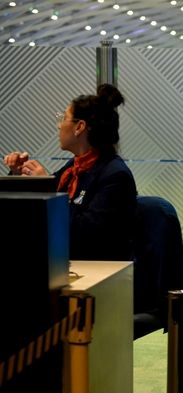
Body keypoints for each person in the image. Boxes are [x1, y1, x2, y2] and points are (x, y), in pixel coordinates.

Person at [3, 83, 137, 261]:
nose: (59, 126)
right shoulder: (73, 168)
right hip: (64, 265)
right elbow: (33, 213)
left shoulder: (114, 175)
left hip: (100, 273)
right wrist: (19, 175)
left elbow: (84, 235)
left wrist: (48, 188)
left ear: (79, 127)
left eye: (63, 118)